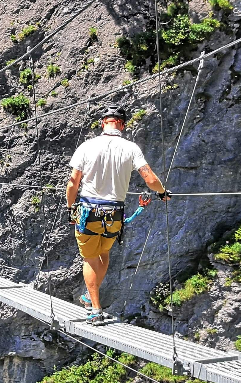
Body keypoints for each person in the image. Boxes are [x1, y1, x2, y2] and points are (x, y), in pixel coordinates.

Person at [66, 105, 170, 325]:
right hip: (114, 215)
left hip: (88, 212)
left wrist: (69, 207)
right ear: (122, 125)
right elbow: (149, 178)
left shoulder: (87, 146)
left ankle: (95, 309)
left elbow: (73, 183)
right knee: (104, 254)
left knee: (90, 258)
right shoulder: (131, 148)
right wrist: (162, 193)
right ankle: (88, 297)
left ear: (103, 123)